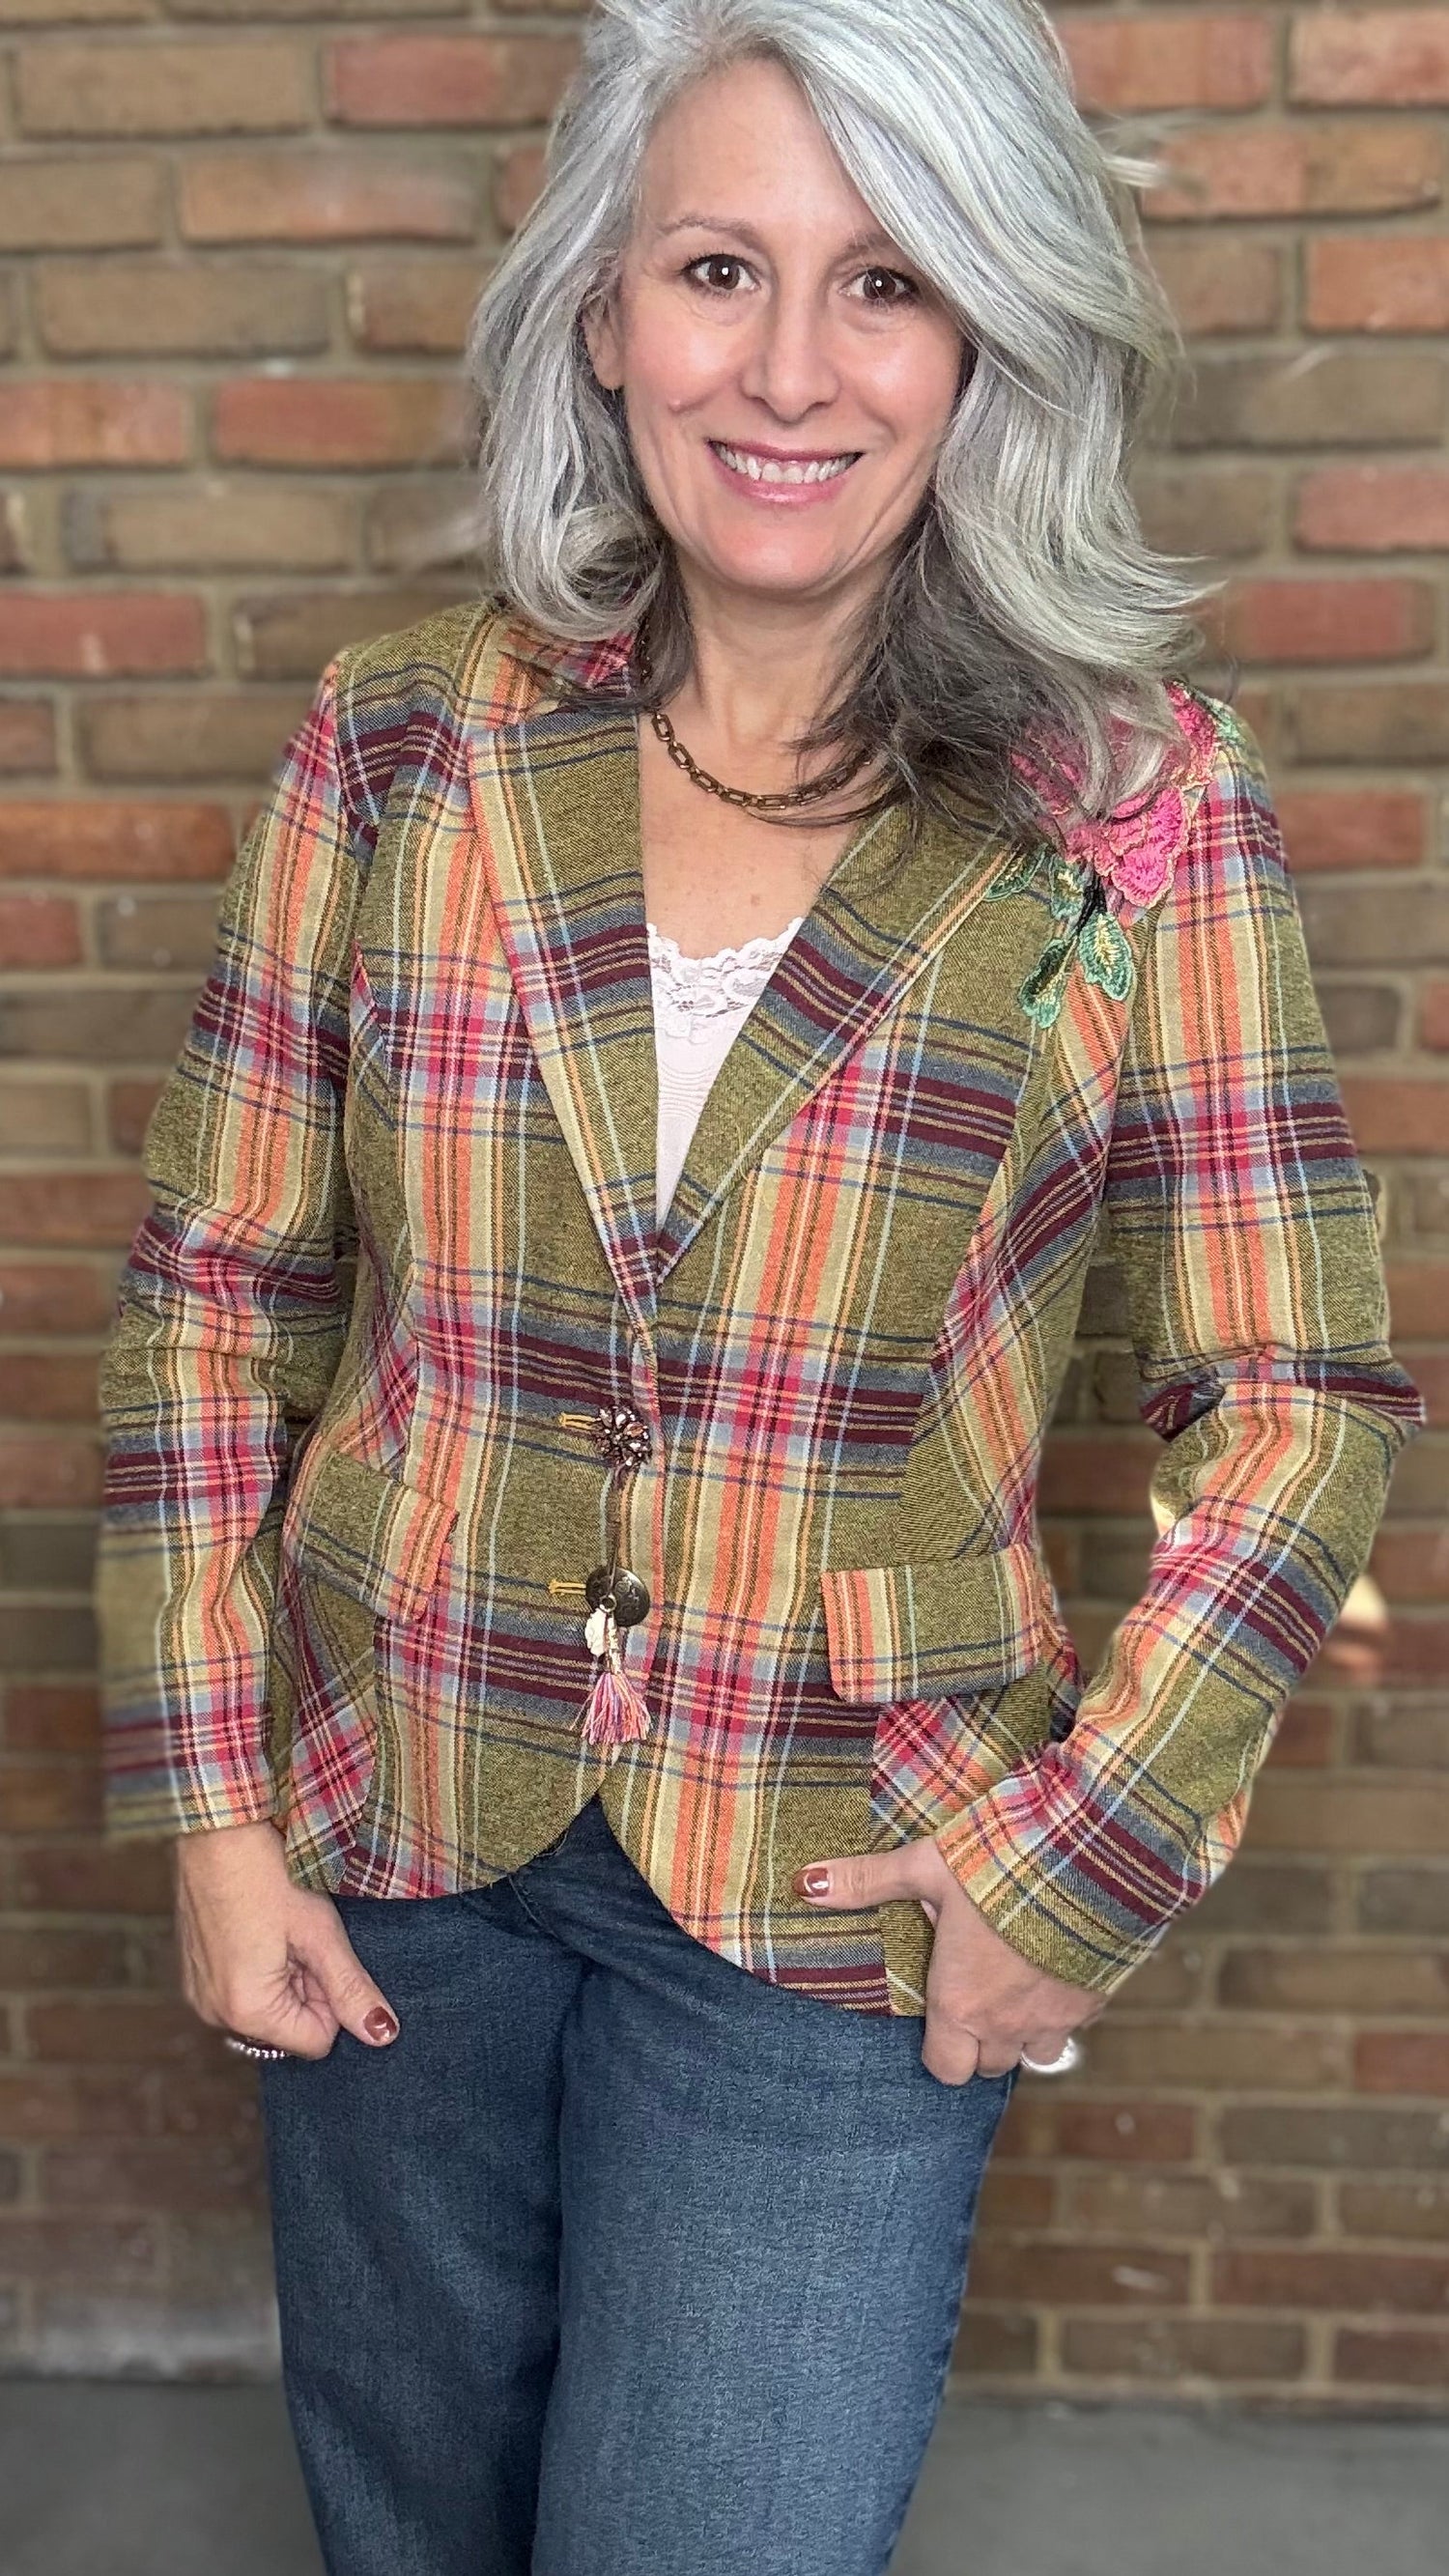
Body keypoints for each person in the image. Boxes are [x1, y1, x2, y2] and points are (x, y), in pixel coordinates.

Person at [94, 4, 1426, 2572]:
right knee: (412, 2529)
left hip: (839, 1883)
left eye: (888, 283)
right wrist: (217, 1812)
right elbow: (206, 1300)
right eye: (718, 269)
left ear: (986, 332)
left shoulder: (1132, 810)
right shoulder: (400, 751)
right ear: (603, 312)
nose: (790, 370)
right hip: (393, 1826)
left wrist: (1078, 1855)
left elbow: (1291, 1389)